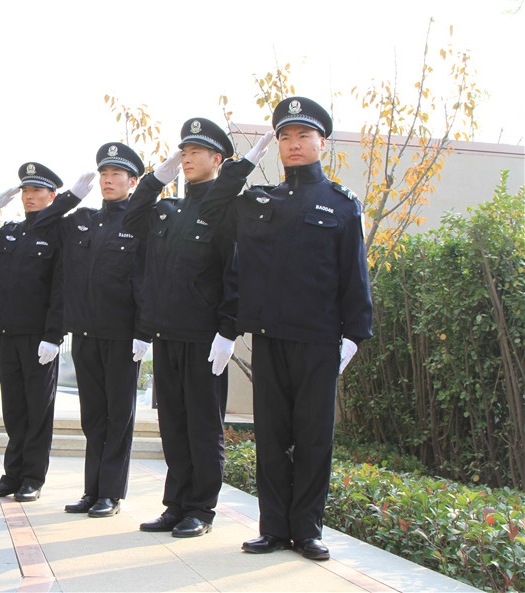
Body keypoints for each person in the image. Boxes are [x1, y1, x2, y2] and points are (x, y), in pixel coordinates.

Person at [200, 97, 374, 560]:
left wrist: (354, 336)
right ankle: (274, 528)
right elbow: (212, 210)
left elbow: (354, 273)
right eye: (285, 137)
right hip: (269, 336)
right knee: (272, 435)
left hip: (318, 339)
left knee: (314, 437)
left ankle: (308, 530)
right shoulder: (261, 200)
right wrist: (241, 165)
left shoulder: (341, 204)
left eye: (303, 135)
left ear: (322, 142)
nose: (294, 144)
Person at [122, 118, 237, 538]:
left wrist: (228, 330)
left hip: (205, 339)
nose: (187, 159)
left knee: (203, 427)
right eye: (183, 152)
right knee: (173, 426)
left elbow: (234, 273)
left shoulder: (225, 208)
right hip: (167, 334)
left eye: (196, 152)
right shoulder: (169, 208)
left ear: (217, 159)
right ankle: (176, 504)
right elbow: (131, 219)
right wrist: (156, 179)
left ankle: (201, 508)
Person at [33, 142, 152, 518]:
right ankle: (92, 490)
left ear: (133, 181)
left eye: (117, 174)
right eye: (103, 173)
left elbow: (146, 280)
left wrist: (143, 332)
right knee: (93, 417)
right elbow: (41, 224)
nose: (108, 180)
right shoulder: (82, 219)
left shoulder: (140, 222)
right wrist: (71, 196)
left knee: (118, 417)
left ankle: (110, 494)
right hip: (85, 334)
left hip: (122, 336)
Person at [0, 162, 66, 503]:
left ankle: (32, 478)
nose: (29, 196)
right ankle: (12, 475)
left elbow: (61, 289)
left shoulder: (58, 235)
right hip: (7, 333)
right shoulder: (10, 233)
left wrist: (54, 336)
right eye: (25, 190)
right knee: (14, 409)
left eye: (37, 190)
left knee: (38, 410)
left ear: (53, 196)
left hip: (39, 339)